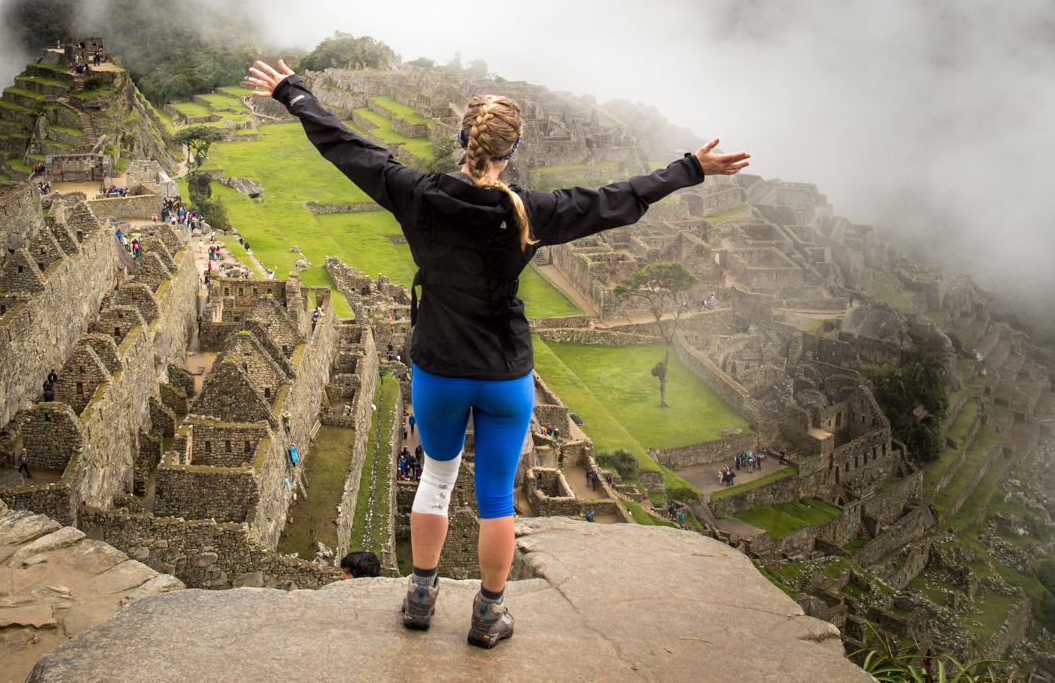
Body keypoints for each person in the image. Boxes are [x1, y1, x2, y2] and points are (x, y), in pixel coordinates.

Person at [248, 58, 748, 650]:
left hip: (437, 365)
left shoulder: (418, 194)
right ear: (512, 151)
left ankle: (421, 594)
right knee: (494, 500)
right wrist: (690, 167)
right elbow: (617, 199)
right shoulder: (531, 211)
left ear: (463, 142)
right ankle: (488, 613)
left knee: (435, 479)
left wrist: (292, 92)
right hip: (504, 372)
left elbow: (346, 146)